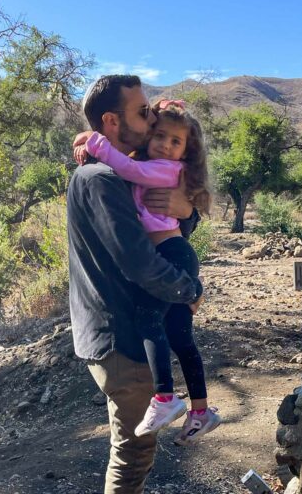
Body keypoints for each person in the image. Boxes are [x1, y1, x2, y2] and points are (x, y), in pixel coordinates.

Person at [67, 74, 203, 494]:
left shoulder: (122, 174)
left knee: (133, 450)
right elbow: (140, 261)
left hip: (118, 330)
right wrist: (189, 290)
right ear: (111, 121)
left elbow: (161, 224)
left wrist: (187, 212)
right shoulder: (102, 180)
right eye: (142, 112)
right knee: (133, 454)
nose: (150, 120)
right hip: (120, 336)